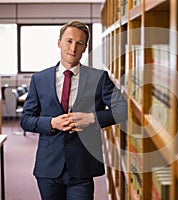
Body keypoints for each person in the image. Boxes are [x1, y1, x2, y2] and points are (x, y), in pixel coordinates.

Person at [20, 20, 128, 200]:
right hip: (48, 167)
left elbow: (123, 109)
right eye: (69, 41)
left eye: (79, 43)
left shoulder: (98, 78)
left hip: (82, 166)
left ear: (85, 47)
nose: (73, 47)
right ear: (59, 43)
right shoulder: (39, 79)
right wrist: (52, 123)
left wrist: (92, 118)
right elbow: (26, 119)